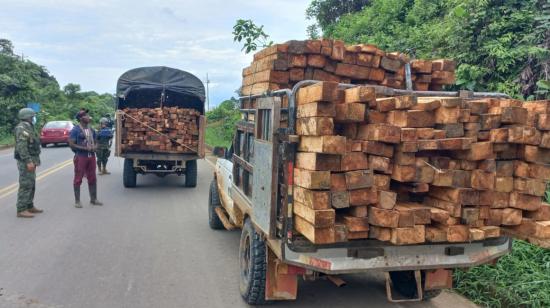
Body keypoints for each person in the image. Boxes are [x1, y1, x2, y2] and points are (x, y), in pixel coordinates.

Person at [68, 110, 103, 208]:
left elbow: (96, 141)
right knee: (78, 178)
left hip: (91, 156)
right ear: (80, 118)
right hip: (81, 157)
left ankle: (94, 199)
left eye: (88, 115)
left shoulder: (91, 129)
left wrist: (95, 146)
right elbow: (71, 144)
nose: (88, 116)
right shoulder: (75, 130)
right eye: (86, 115)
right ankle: (77, 201)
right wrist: (84, 148)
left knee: (92, 177)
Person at [13, 108, 43, 218]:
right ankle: (21, 209)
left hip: (32, 159)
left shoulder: (29, 127)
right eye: (33, 116)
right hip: (26, 161)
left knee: (31, 183)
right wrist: (28, 161)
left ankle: (29, 205)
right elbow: (22, 147)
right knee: (25, 184)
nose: (34, 118)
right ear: (28, 117)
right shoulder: (21, 128)